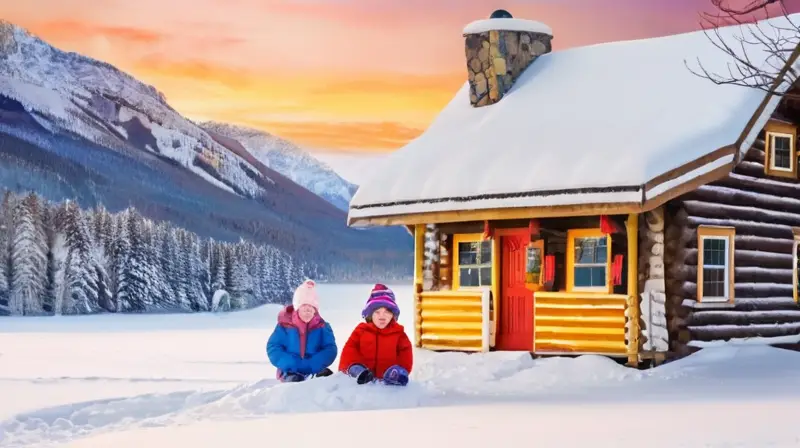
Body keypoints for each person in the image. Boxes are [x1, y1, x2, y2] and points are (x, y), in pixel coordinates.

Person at [338, 284, 413, 386]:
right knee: (354, 367)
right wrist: (349, 366)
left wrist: (402, 368)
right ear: (370, 315)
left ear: (393, 315)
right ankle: (360, 374)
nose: (382, 316)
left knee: (396, 372)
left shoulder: (398, 333)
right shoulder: (361, 331)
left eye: (387, 312)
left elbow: (406, 353)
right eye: (377, 312)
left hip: (389, 373)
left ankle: (395, 376)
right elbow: (349, 349)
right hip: (363, 371)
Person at [267, 279, 337, 382]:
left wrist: (314, 363)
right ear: (297, 308)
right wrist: (291, 362)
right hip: (289, 370)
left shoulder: (323, 327)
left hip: (314, 369)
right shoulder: (285, 325)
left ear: (315, 310)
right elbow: (273, 347)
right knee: (294, 383)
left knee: (328, 380)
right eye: (304, 306)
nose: (307, 310)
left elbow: (330, 348)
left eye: (311, 307)